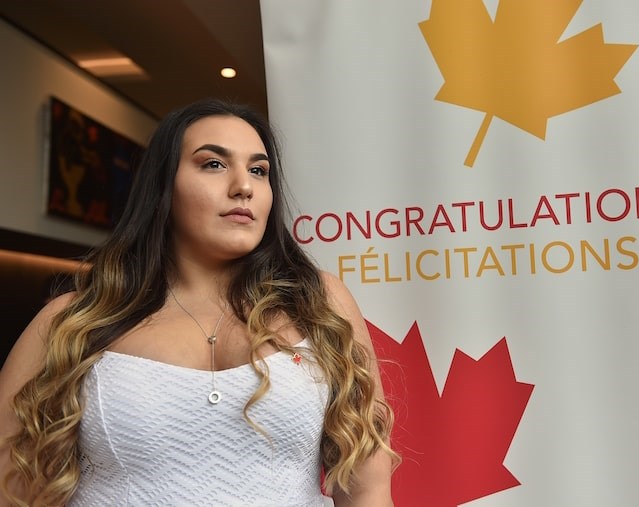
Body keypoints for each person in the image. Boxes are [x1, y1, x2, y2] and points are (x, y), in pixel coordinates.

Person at [0, 98, 398, 506]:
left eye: (259, 171)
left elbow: (366, 486)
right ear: (163, 187)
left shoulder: (319, 301)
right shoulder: (71, 320)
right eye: (214, 164)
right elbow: (10, 485)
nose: (244, 186)